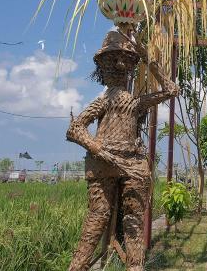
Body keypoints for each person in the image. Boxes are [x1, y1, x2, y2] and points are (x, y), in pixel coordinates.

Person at [65, 30, 178, 271]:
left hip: (132, 163)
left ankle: (134, 266)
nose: (118, 64)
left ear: (131, 66)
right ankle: (78, 266)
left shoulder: (135, 102)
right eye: (112, 59)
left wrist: (147, 56)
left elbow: (171, 90)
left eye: (125, 59)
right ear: (102, 66)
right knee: (98, 215)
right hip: (103, 160)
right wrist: (96, 147)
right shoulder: (104, 100)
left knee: (134, 219)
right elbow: (75, 128)